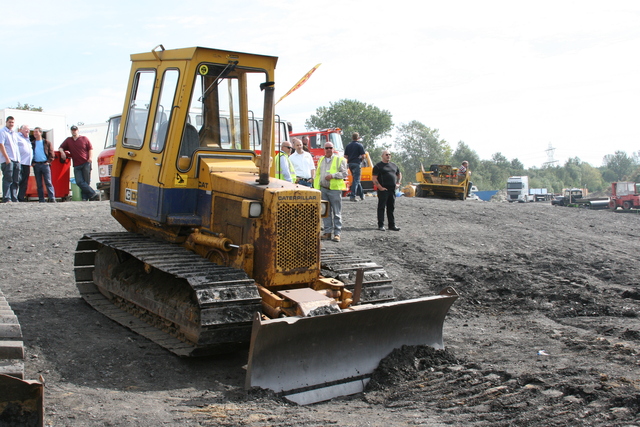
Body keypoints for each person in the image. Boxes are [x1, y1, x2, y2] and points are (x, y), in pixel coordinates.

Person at [314, 142, 348, 242]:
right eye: (326, 148)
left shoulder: (339, 159)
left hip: (334, 189)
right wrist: (317, 187)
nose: (328, 149)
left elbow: (345, 173)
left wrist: (333, 176)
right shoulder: (321, 160)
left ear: (333, 149)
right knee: (325, 212)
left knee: (337, 212)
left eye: (330, 148)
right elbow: (318, 174)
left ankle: (337, 234)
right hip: (323, 189)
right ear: (324, 149)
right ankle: (327, 233)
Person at [59, 125, 99, 201]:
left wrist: (90, 158)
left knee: (86, 182)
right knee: (79, 182)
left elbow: (90, 149)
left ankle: (85, 197)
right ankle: (93, 193)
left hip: (86, 163)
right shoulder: (68, 140)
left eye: (75, 130)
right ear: (71, 131)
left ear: (78, 130)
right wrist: (62, 152)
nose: (74, 131)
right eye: (72, 130)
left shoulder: (84, 139)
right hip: (76, 164)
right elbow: (61, 147)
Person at [372, 150, 402, 231]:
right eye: (386, 154)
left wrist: (398, 183)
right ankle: (381, 225)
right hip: (383, 190)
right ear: (382, 156)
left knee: (391, 207)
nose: (388, 156)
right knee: (381, 207)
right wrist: (380, 188)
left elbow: (399, 174)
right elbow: (374, 178)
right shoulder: (378, 166)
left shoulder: (394, 165)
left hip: (392, 190)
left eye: (389, 154)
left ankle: (392, 225)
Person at [31, 127, 56, 203]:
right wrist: (33, 163)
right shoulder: (32, 143)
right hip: (36, 165)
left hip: (45, 164)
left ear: (41, 133)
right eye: (34, 132)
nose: (35, 133)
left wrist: (48, 162)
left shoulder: (46, 142)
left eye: (36, 132)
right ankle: (41, 199)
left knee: (48, 182)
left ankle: (52, 198)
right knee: (39, 183)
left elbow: (52, 153)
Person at [0, 116, 21, 203]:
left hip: (16, 159)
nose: (11, 124)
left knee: (16, 180)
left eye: (12, 122)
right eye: (9, 122)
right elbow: (1, 145)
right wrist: (7, 158)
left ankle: (14, 197)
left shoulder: (14, 133)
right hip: (8, 159)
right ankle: (6, 198)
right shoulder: (2, 132)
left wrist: (18, 159)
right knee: (8, 179)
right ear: (6, 122)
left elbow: (16, 147)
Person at [344, 132, 365, 202]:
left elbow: (345, 156)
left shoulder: (348, 146)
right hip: (356, 163)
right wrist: (361, 160)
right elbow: (363, 155)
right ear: (358, 138)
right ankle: (353, 196)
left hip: (350, 164)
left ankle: (362, 195)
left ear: (352, 138)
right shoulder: (359, 145)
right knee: (356, 180)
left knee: (356, 180)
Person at [17, 125, 32, 202]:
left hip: (27, 163)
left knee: (24, 182)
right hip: (19, 162)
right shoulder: (17, 136)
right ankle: (14, 197)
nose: (27, 131)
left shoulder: (28, 138)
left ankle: (21, 197)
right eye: (25, 129)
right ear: (21, 130)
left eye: (28, 130)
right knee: (17, 180)